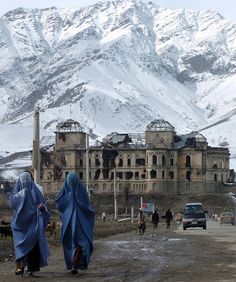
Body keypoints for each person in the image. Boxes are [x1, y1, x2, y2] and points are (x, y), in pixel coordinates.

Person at [8, 172, 50, 276]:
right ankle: (20, 267)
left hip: (32, 226)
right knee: (21, 247)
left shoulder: (35, 192)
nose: (25, 183)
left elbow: (44, 206)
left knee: (31, 247)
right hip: (20, 226)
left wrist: (42, 207)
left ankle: (30, 269)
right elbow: (12, 204)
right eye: (23, 180)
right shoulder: (17, 195)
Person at [56, 172, 95, 275]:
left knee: (82, 244)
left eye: (73, 182)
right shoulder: (67, 192)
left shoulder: (81, 193)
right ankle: (74, 264)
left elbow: (87, 207)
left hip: (81, 224)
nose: (71, 185)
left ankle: (75, 264)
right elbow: (59, 204)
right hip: (69, 223)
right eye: (70, 182)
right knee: (70, 243)